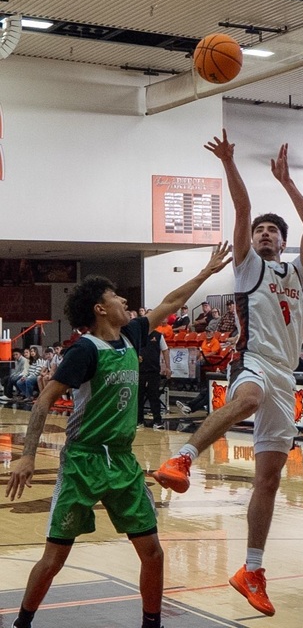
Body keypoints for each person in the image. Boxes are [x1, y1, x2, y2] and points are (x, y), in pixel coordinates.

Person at [5, 243, 231, 628]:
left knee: (154, 553)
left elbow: (172, 299)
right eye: (115, 296)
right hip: (83, 461)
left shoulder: (134, 334)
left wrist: (206, 272)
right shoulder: (85, 351)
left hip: (123, 461)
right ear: (100, 309)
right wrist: (27, 455)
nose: (125, 300)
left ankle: (151, 623)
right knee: (54, 559)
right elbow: (43, 401)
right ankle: (22, 622)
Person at [153, 130, 303, 617]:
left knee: (268, 480)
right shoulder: (249, 269)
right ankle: (183, 458)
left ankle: (252, 568)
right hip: (254, 361)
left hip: (287, 374)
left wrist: (288, 184)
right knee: (245, 399)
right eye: (259, 232)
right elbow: (243, 212)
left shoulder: (299, 273)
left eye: (273, 232)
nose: (265, 234)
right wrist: (230, 164)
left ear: (284, 242)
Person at [137, 328, 171, 431]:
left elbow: (165, 350)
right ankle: (139, 421)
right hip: (140, 371)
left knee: (154, 396)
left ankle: (157, 421)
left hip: (154, 371)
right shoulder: (138, 334)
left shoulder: (158, 335)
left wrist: (167, 367)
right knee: (139, 397)